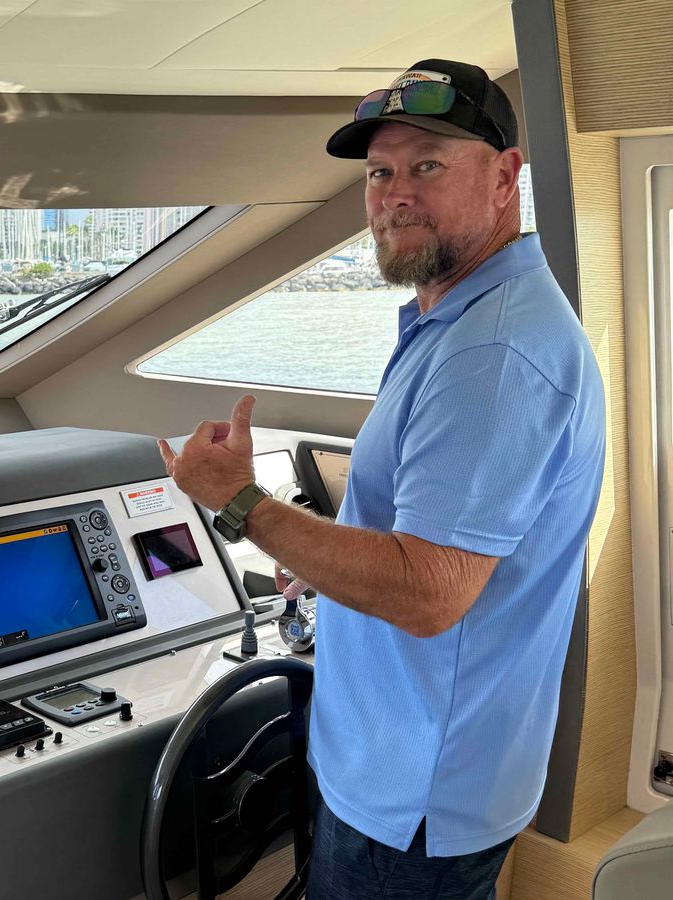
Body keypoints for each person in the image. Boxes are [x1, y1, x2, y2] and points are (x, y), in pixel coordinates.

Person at [157, 59, 605, 899]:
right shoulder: (461, 319)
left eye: (427, 165)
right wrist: (322, 558)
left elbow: (427, 592)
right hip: (413, 767)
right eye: (379, 173)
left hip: (411, 795)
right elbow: (428, 535)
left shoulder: (492, 354)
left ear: (505, 177)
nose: (396, 194)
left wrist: (237, 501)